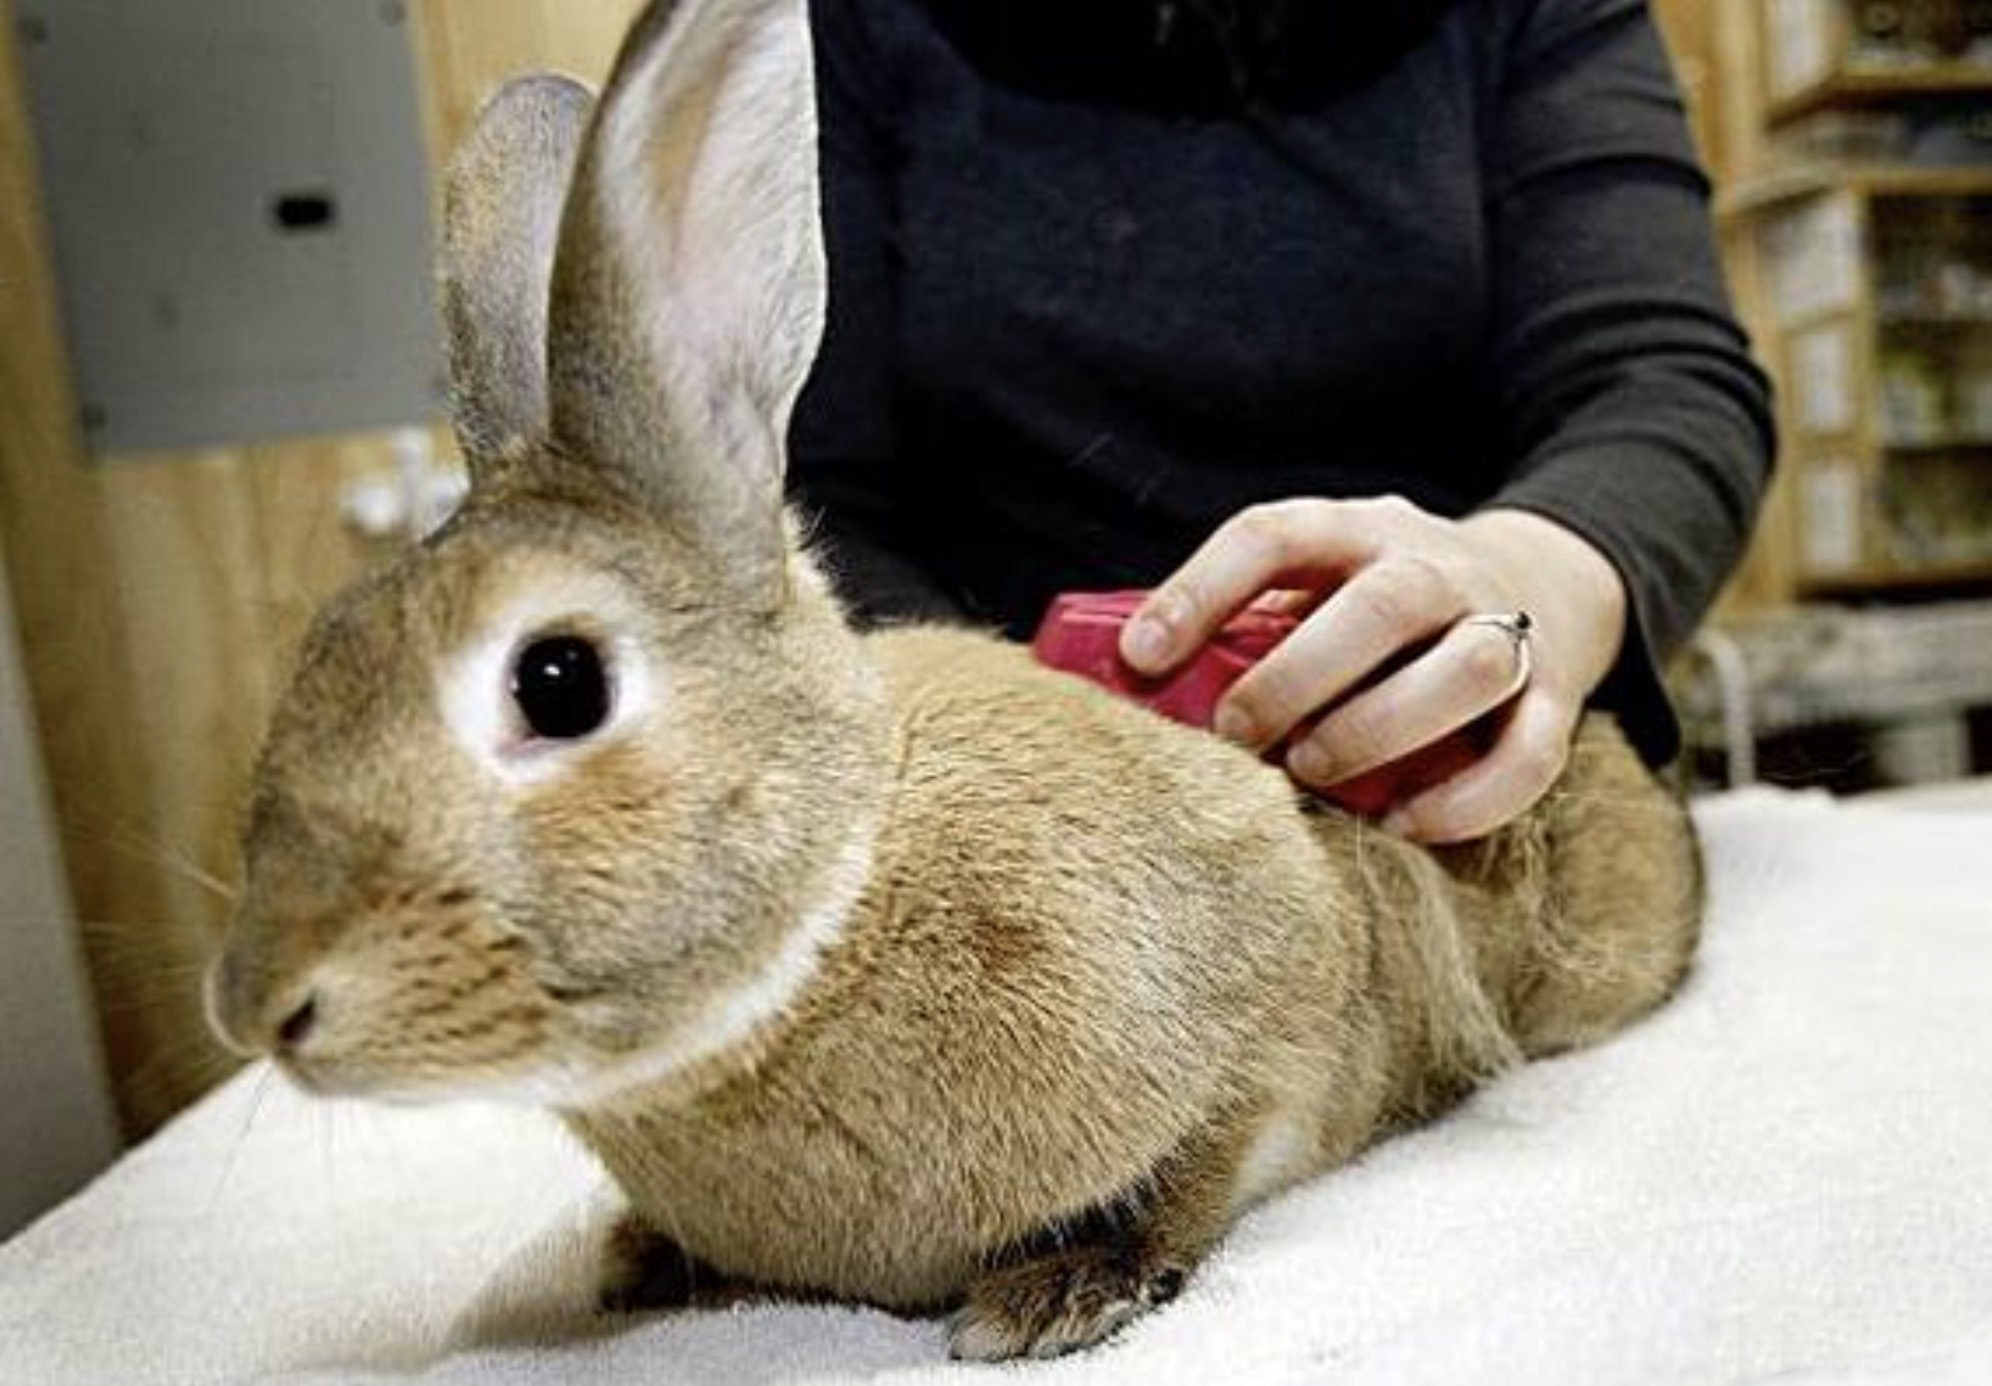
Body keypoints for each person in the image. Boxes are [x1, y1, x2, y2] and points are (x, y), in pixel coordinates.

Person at [788, 0, 1775, 843]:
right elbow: (810, 488)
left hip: (1442, 783)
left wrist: (1533, 575)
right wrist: (1004, 741)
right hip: (981, 784)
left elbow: (1659, 381)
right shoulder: (844, 24)